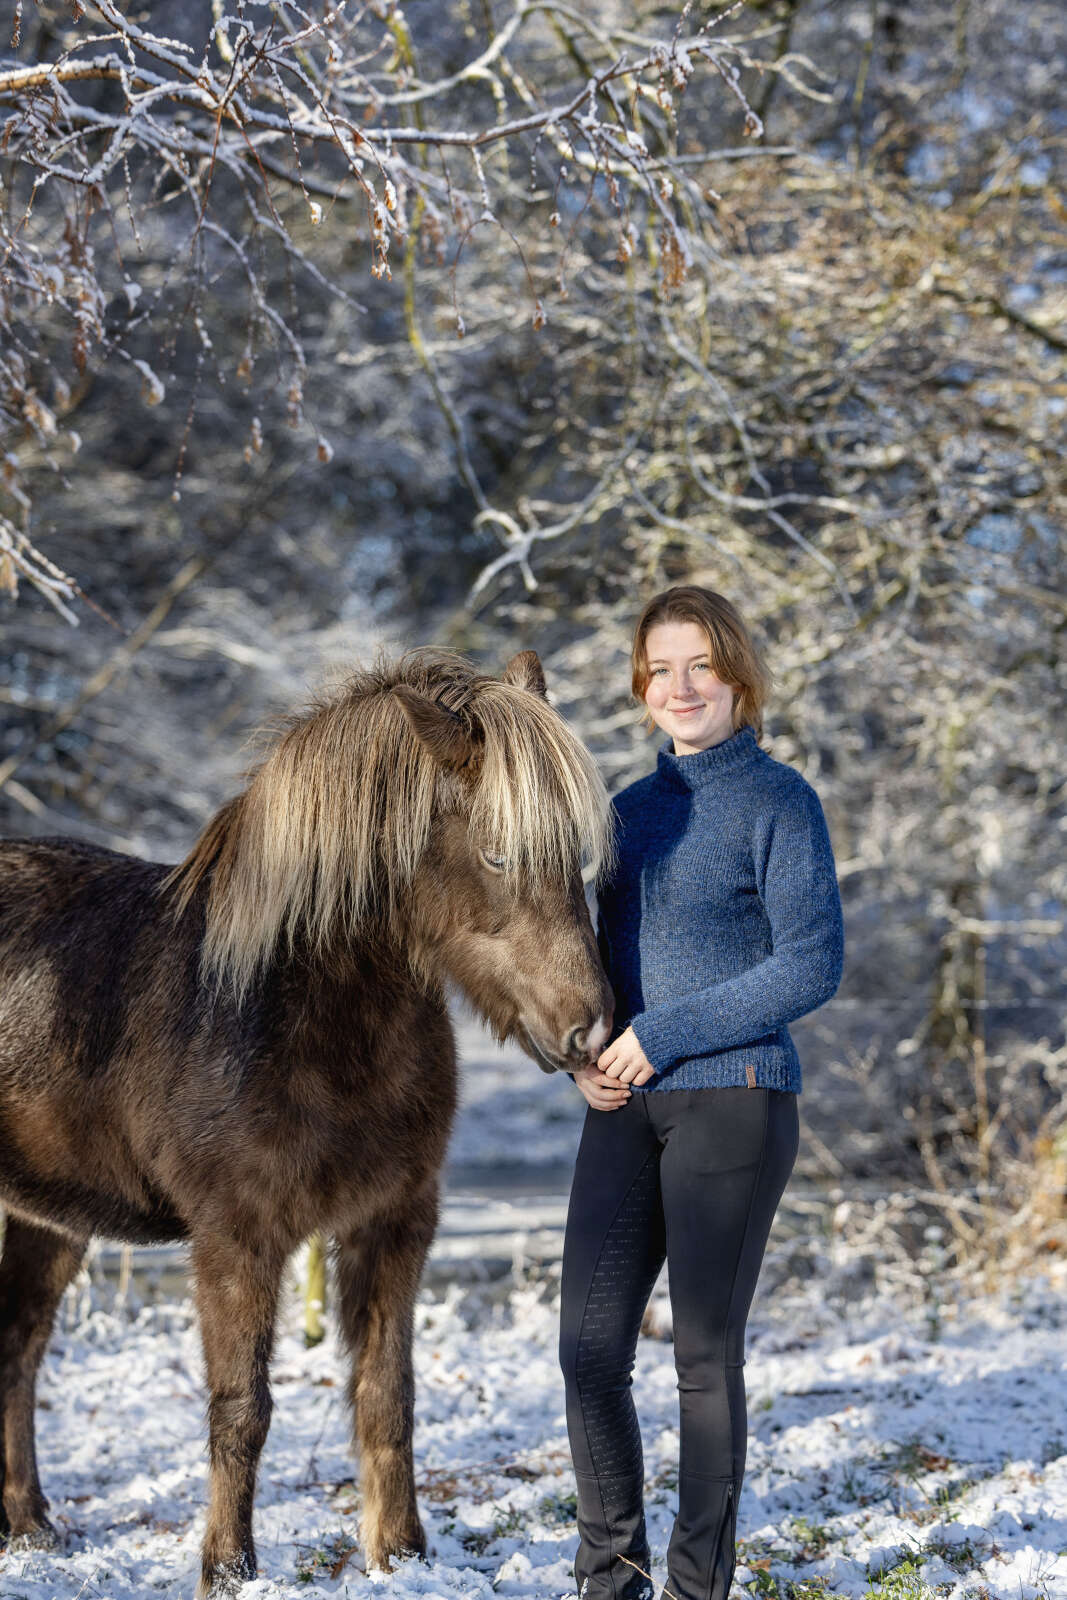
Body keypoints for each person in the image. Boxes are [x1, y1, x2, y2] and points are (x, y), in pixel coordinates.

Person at [560, 586, 845, 1600]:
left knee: (702, 1355)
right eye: (659, 669)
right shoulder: (621, 816)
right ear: (640, 686)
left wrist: (664, 1033)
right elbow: (586, 964)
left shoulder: (778, 802)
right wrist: (579, 1053)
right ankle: (610, 1578)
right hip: (624, 1106)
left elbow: (810, 962)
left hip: (735, 1099)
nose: (679, 687)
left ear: (736, 676)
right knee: (587, 1349)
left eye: (700, 666)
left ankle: (694, 1585)